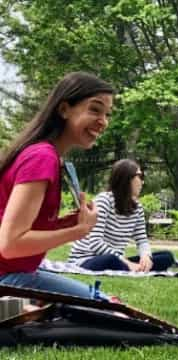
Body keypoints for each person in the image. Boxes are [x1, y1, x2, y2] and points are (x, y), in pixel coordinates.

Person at [0, 72, 114, 298]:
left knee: (105, 303)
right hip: (7, 279)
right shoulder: (42, 157)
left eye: (107, 114)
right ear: (64, 110)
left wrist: (64, 224)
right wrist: (77, 231)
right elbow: (10, 244)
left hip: (18, 272)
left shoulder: (43, 154)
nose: (103, 121)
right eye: (95, 109)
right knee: (111, 311)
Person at [68, 159, 175, 272]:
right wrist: (127, 262)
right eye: (140, 176)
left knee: (166, 257)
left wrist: (146, 257)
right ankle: (130, 267)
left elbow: (142, 240)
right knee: (111, 260)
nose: (142, 182)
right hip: (87, 259)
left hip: (118, 259)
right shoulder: (104, 200)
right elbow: (95, 242)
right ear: (127, 178)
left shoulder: (137, 208)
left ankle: (132, 267)